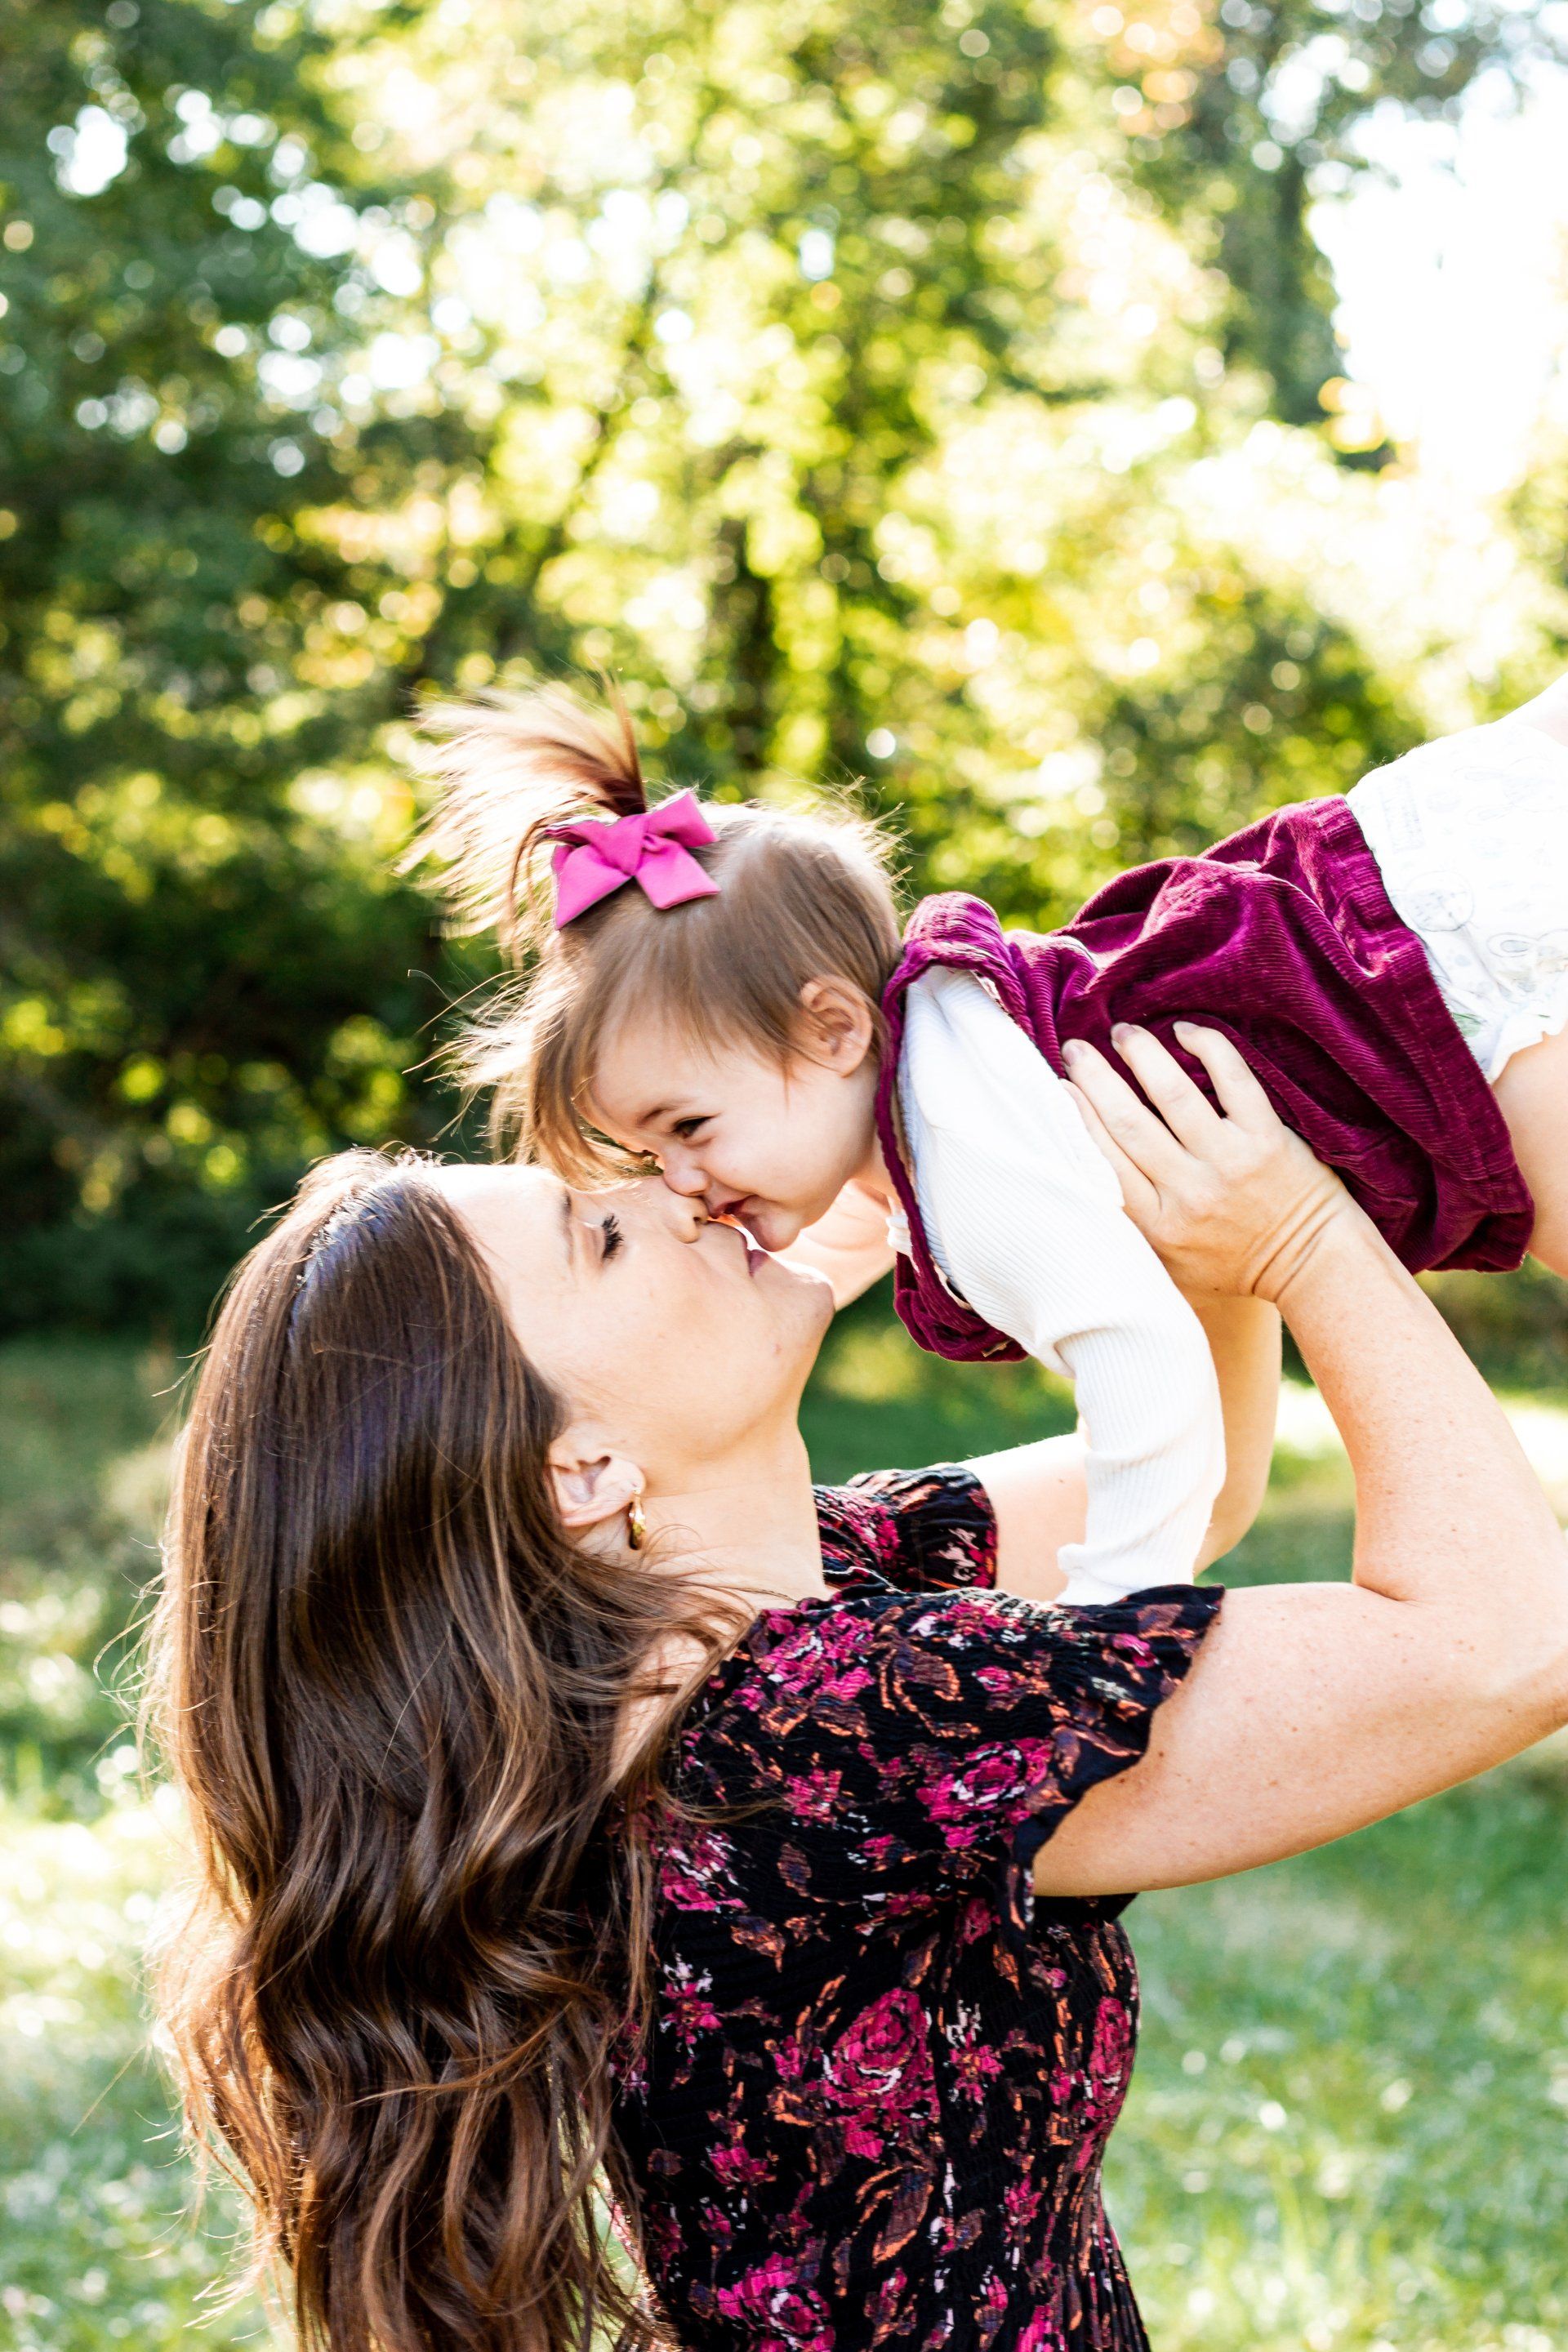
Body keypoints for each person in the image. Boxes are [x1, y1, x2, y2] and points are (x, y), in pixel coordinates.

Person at [149, 1021, 1568, 2352]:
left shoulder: (725, 1631)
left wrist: (1127, 1186)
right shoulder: (822, 1734)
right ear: (581, 1469)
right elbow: (1508, 1642)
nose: (676, 1190)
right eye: (603, 1234)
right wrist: (1305, 1238)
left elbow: (1191, 1489)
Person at [411, 672, 1568, 1605]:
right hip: (1409, 876)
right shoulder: (943, 1052)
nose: (681, 1183)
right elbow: (847, 1247)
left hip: (1445, 995)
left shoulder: (965, 1163)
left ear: (832, 1030)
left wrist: (1119, 1599)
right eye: (647, 1151)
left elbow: (1146, 1370)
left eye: (689, 1127)